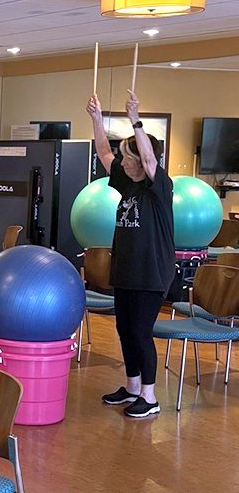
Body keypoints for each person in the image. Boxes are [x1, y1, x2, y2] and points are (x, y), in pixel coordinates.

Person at [86, 89, 175, 418]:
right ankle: (133, 387)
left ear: (141, 161)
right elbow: (103, 151)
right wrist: (97, 119)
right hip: (126, 270)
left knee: (140, 331)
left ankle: (150, 399)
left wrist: (135, 117)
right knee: (125, 329)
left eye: (129, 157)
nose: (122, 162)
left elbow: (150, 160)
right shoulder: (126, 182)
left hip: (151, 273)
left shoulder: (159, 186)